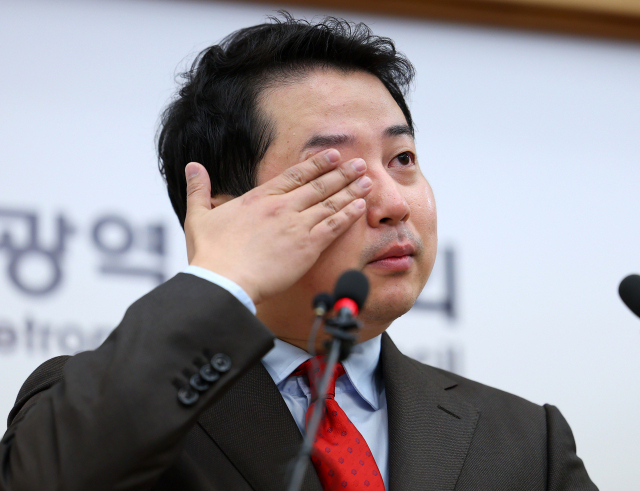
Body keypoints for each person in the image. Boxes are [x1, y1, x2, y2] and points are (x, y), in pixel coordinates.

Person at [0, 13, 597, 491]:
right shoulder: (115, 405)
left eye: (402, 159)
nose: (392, 203)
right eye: (337, 173)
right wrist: (220, 278)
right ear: (230, 215)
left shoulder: (526, 440)